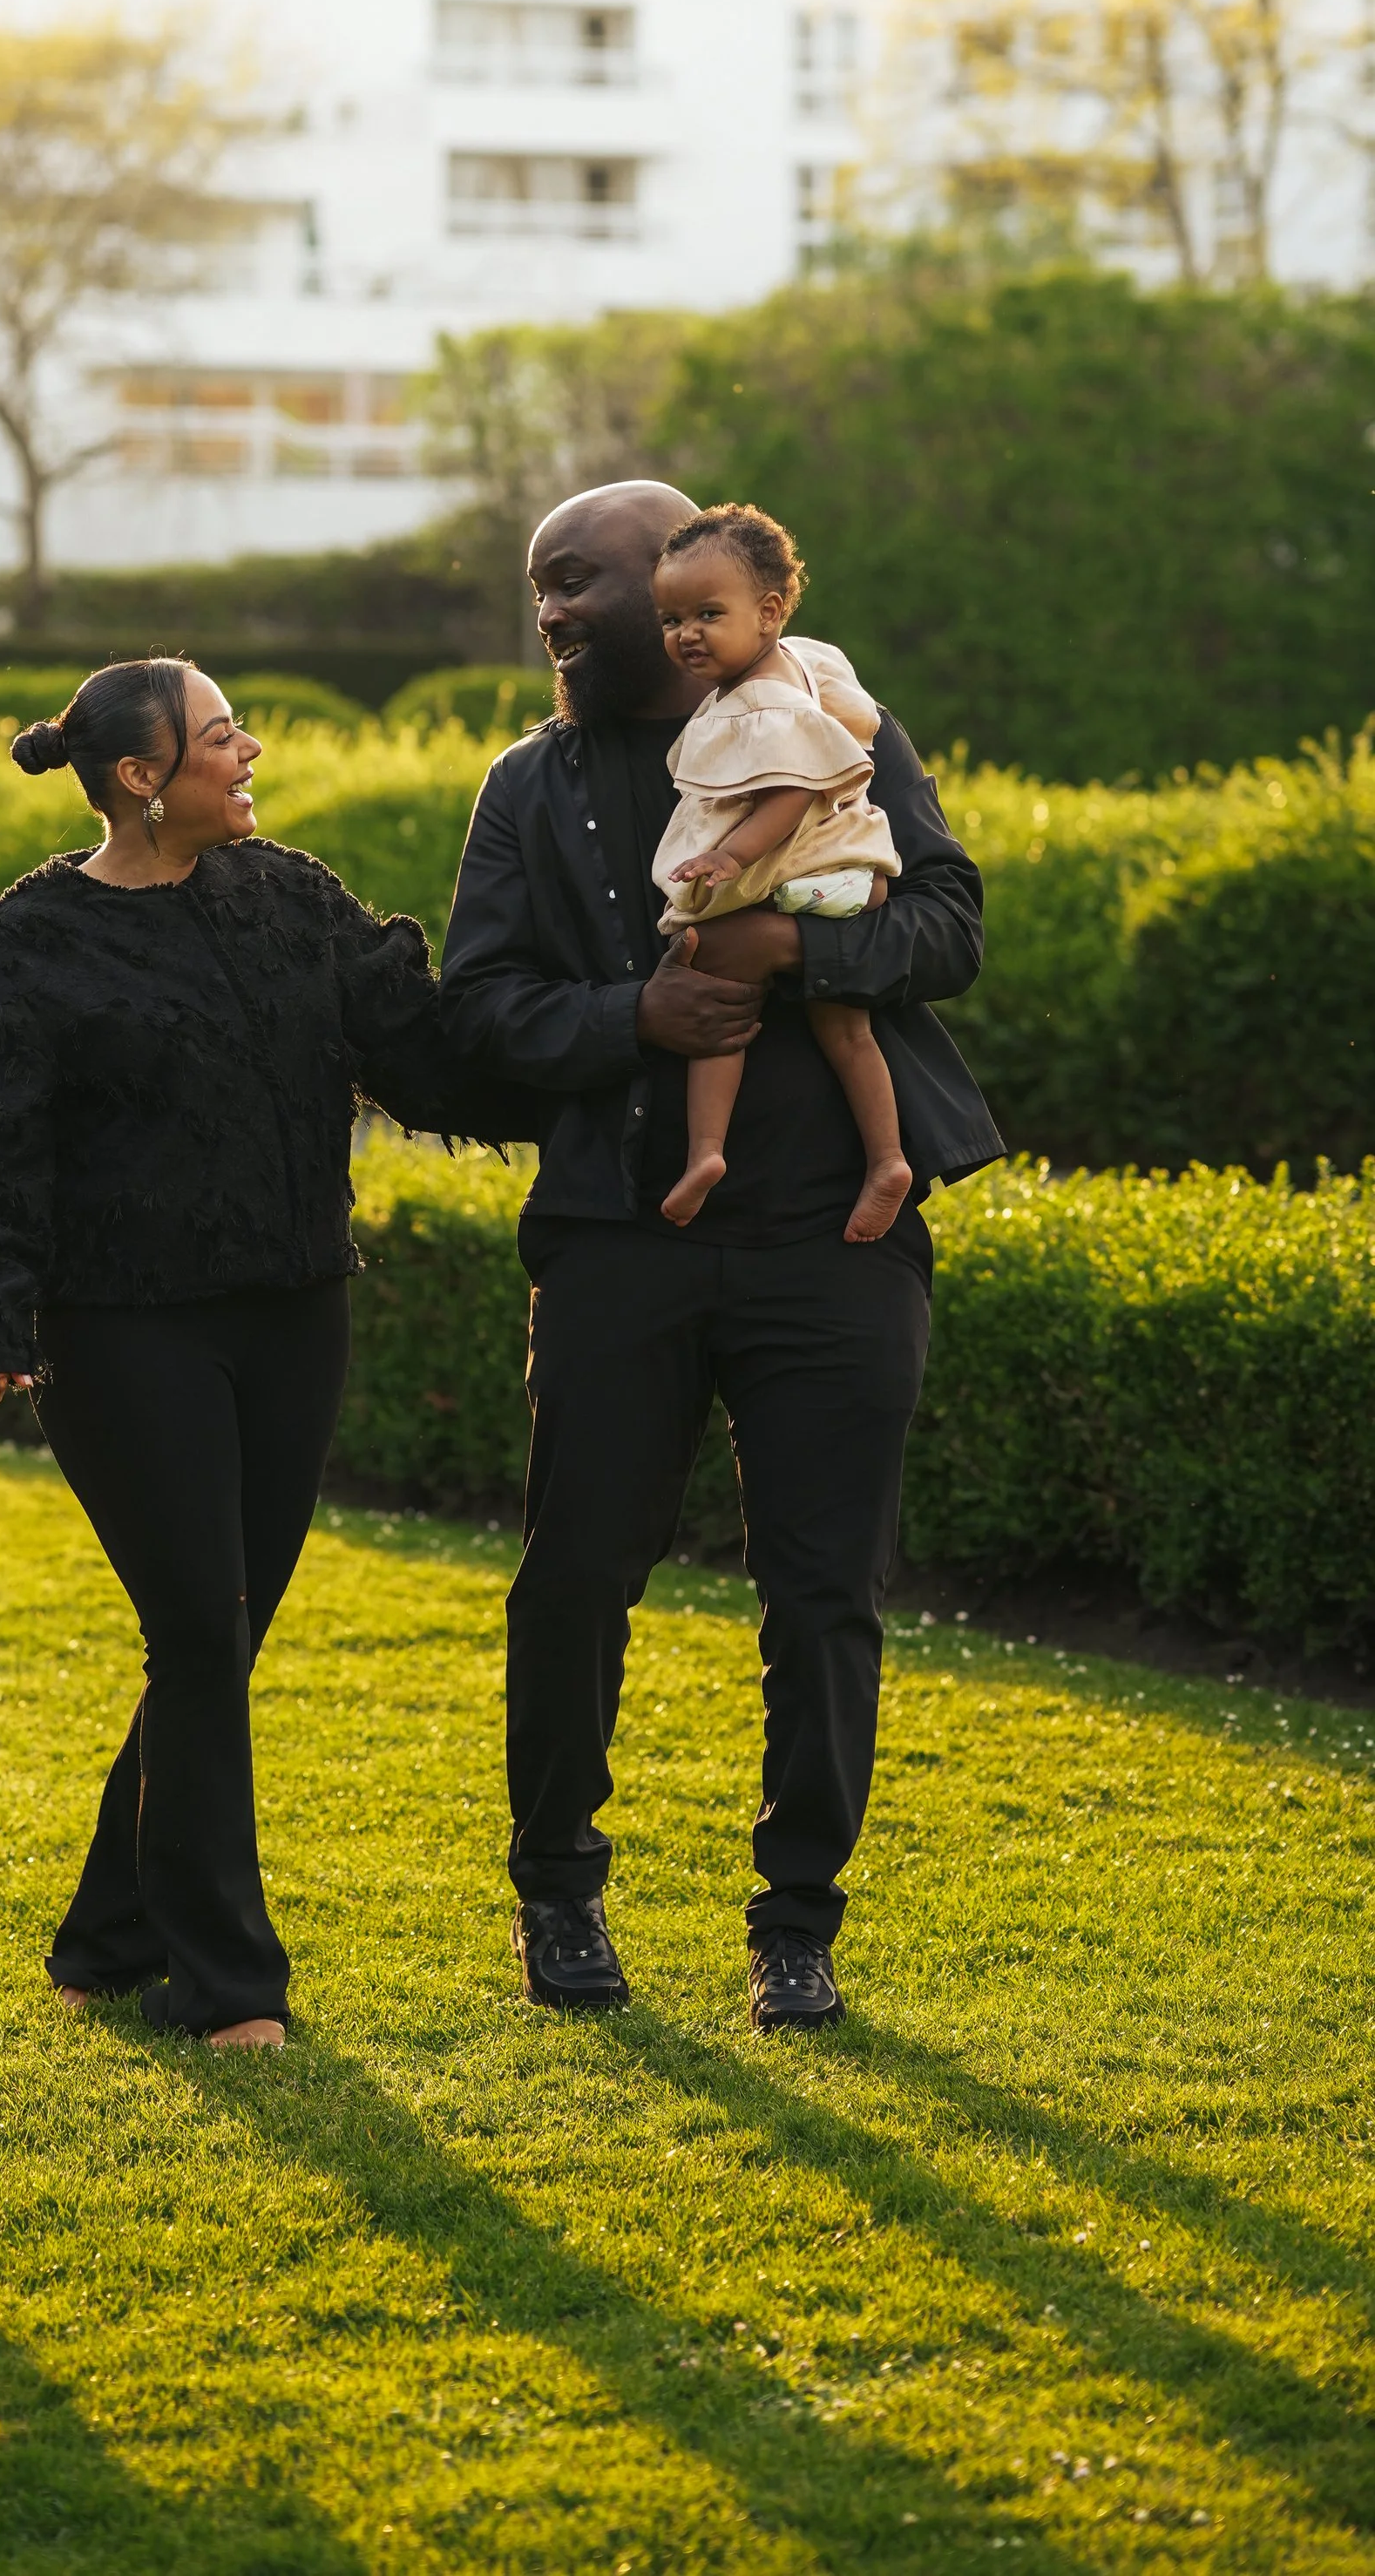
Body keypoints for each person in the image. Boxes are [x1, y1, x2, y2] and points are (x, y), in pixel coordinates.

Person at [0, 656, 517, 2051]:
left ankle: (108, 1935)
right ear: (138, 776)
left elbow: (426, 1044)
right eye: (223, 736)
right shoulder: (27, 941)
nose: (251, 751)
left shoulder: (291, 895)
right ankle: (228, 1983)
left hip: (293, 1312)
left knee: (220, 1641)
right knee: (196, 1632)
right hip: (122, 1333)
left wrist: (620, 1025)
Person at [438, 481, 1002, 2032]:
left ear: (691, 585)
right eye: (538, 587)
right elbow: (476, 1011)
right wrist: (636, 1016)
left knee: (825, 1599)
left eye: (582, 582)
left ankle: (797, 1926)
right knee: (572, 1583)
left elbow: (949, 924)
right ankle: (558, 1893)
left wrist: (800, 955)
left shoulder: (828, 716)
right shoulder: (524, 789)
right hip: (624, 1240)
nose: (552, 611)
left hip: (841, 1241)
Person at [648, 503, 907, 1240]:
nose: (685, 634)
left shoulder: (761, 699)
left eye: (705, 613)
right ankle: (886, 1159)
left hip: (807, 873)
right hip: (848, 875)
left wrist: (727, 857)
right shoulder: (806, 660)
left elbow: (792, 790)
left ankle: (705, 1152)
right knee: (848, 1031)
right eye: (670, 620)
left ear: (767, 611)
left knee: (716, 994)